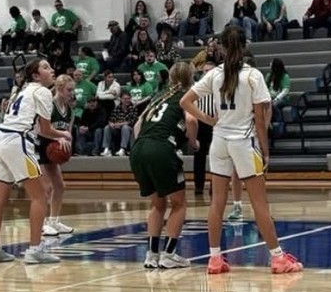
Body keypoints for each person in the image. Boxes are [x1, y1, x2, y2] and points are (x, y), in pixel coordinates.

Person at [180, 26, 303, 275]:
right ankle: (277, 258)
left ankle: (215, 259)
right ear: (245, 44)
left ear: (222, 47)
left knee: (217, 202)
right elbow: (259, 120)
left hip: (220, 141)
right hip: (244, 142)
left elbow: (185, 102)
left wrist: (208, 119)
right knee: (259, 203)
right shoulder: (253, 76)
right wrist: (265, 150)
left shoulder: (214, 74)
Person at [0, 59, 66, 265]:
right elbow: (45, 130)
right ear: (36, 76)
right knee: (40, 196)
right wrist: (64, 135)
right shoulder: (42, 92)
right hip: (17, 141)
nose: (52, 69)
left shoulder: (22, 91)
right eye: (46, 67)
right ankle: (35, 250)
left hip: (1, 139)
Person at [130, 62, 199, 269]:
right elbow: (192, 120)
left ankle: (151, 255)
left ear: (170, 78)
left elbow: (137, 125)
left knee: (157, 204)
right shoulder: (185, 96)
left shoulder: (158, 96)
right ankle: (169, 254)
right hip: (162, 148)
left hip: (139, 149)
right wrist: (193, 142)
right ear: (190, 79)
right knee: (179, 204)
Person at [37, 75, 76, 236]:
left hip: (52, 149)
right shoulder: (49, 106)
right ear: (59, 89)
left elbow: (68, 133)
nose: (72, 93)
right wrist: (58, 137)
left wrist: (67, 149)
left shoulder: (69, 110)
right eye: (69, 90)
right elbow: (40, 130)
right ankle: (42, 223)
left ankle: (54, 220)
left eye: (73, 90)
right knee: (45, 188)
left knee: (60, 186)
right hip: (39, 147)